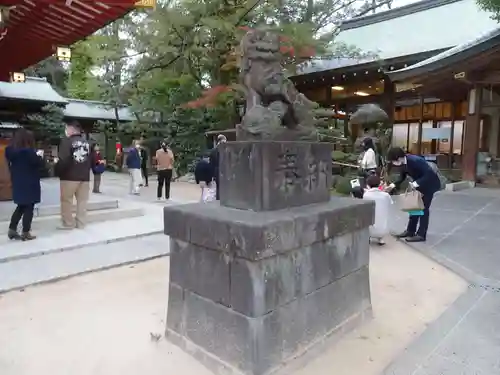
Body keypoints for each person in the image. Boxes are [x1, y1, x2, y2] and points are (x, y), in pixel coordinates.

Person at [386, 147, 441, 243]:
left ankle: (421, 234)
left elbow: (429, 174)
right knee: (414, 208)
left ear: (398, 158)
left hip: (429, 184)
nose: (393, 164)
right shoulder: (404, 163)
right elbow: (402, 177)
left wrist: (415, 183)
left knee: (423, 209)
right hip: (418, 185)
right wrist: (393, 185)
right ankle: (410, 231)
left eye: (393, 161)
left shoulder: (415, 160)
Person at [5, 129, 43, 241]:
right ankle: (26, 232)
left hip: (17, 182)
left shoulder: (10, 151)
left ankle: (12, 229)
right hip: (30, 183)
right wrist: (40, 156)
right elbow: (39, 164)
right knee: (29, 208)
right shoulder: (29, 153)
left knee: (21, 206)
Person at [54, 121, 91, 230]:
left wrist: (57, 172)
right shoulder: (87, 143)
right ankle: (81, 223)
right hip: (84, 177)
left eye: (67, 128)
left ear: (71, 129)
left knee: (66, 200)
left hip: (69, 176)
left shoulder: (66, 142)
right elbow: (91, 160)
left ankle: (68, 223)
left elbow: (64, 160)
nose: (66, 131)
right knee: (82, 201)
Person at [363, 174, 392, 246]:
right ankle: (380, 239)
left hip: (370, 226)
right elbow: (390, 202)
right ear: (379, 184)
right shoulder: (385, 195)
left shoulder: (366, 195)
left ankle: (368, 237)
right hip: (382, 228)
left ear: (368, 185)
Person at [209, 134, 226, 201]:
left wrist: (212, 174)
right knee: (223, 186)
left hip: (216, 171)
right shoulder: (226, 149)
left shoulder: (213, 151)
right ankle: (222, 199)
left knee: (219, 186)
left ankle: (219, 199)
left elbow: (211, 163)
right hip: (223, 170)